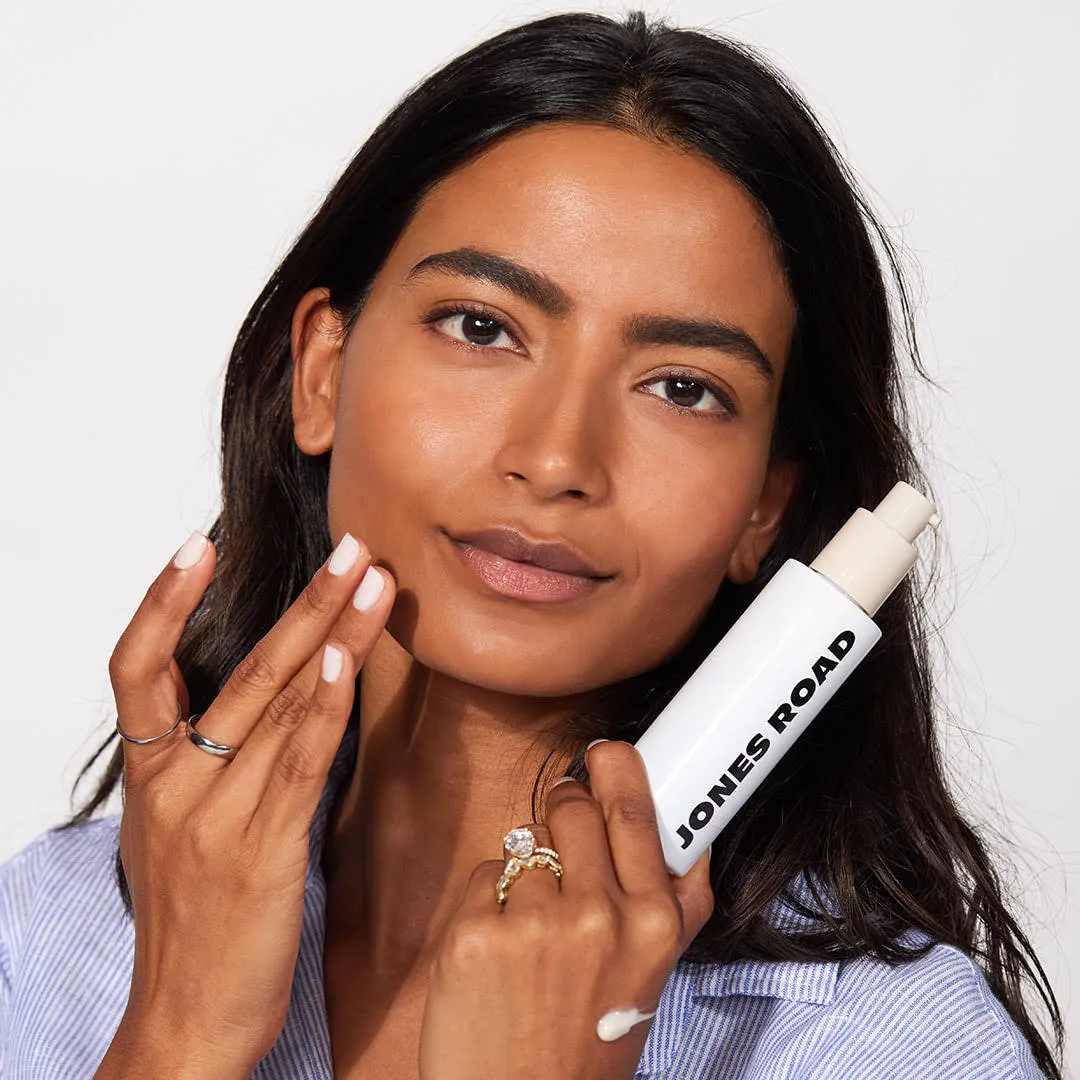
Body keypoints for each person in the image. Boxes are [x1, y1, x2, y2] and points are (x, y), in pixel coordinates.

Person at [0, 11, 1064, 1079]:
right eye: (482, 327)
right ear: (322, 372)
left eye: (682, 388)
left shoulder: (887, 1047)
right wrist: (176, 1034)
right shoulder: (53, 931)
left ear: (765, 510)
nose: (557, 459)